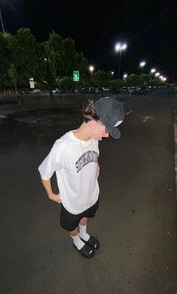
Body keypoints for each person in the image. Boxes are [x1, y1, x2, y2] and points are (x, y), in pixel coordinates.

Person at [38, 97, 125, 258]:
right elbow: (45, 172)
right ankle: (77, 239)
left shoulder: (93, 139)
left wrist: (96, 165)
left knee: (86, 216)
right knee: (72, 224)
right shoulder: (63, 146)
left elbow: (94, 155)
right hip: (73, 201)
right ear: (93, 124)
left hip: (91, 194)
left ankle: (84, 234)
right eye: (106, 130)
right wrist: (51, 194)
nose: (106, 136)